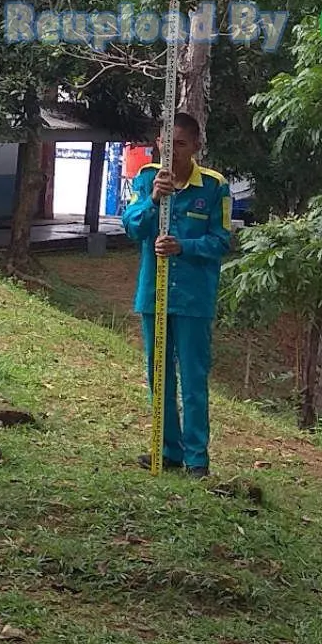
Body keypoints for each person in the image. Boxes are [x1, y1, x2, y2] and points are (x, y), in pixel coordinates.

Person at [122, 113, 232, 480]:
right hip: (154, 294)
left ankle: (197, 458)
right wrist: (153, 201)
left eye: (181, 145)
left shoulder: (214, 186)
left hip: (193, 299)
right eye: (166, 145)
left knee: (193, 377)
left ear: (196, 147)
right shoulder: (147, 178)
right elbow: (132, 226)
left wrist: (183, 247)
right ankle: (167, 448)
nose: (172, 154)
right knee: (159, 374)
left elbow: (222, 240)